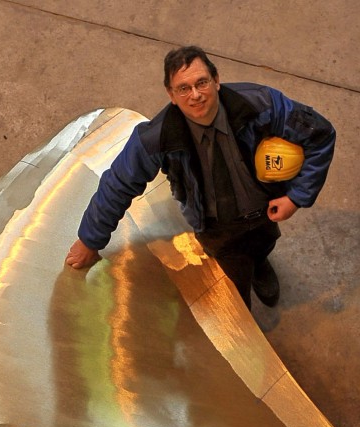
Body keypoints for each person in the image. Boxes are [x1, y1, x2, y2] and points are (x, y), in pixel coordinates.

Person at [65, 46, 336, 310]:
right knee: (235, 282)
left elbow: (320, 134)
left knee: (264, 243)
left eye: (202, 82)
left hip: (265, 209)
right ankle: (243, 311)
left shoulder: (260, 103)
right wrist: (90, 239)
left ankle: (260, 265)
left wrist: (296, 197)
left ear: (217, 81)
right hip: (216, 227)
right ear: (171, 94)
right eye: (183, 88)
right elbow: (118, 184)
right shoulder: (156, 138)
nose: (195, 95)